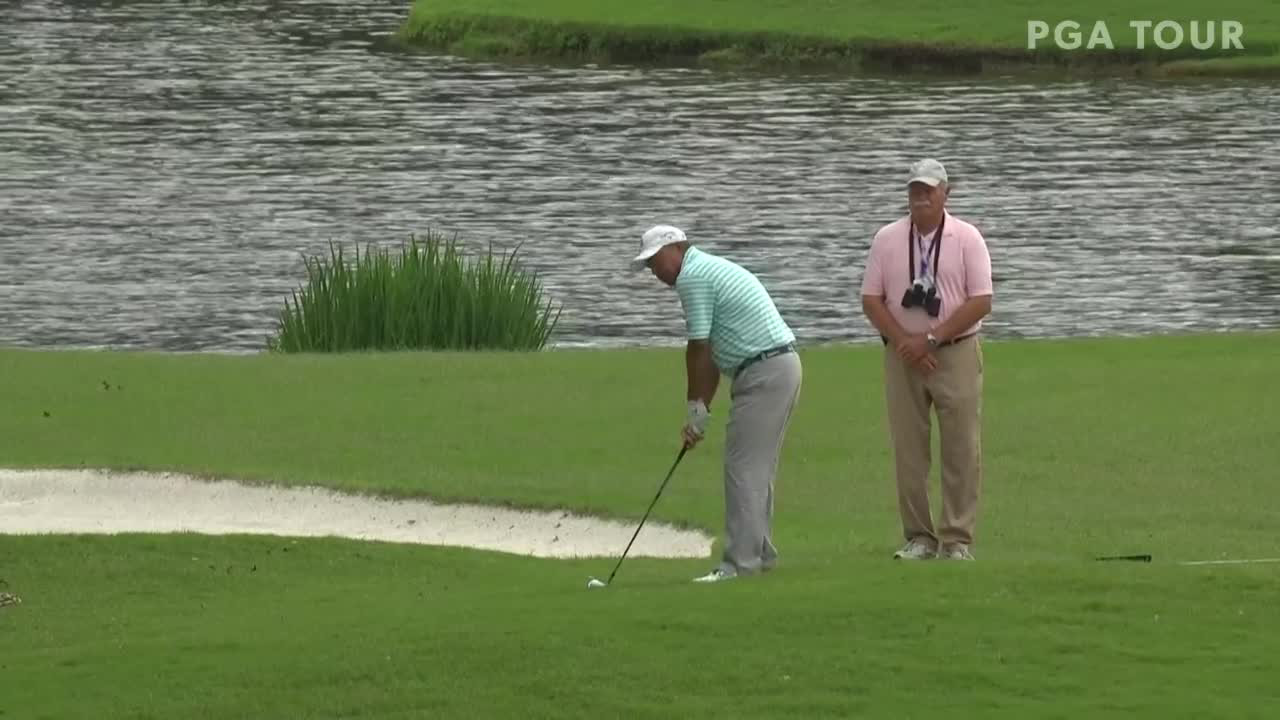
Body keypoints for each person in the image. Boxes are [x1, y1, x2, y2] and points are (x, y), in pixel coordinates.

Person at [631, 224, 803, 583]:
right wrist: (700, 413)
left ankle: (739, 565)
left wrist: (696, 411)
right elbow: (707, 356)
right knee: (757, 469)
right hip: (776, 367)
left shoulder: (693, 276)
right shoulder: (705, 269)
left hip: (765, 371)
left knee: (743, 468)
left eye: (656, 261)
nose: (655, 271)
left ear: (677, 248)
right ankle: (759, 555)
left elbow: (699, 349)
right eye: (648, 265)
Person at [859, 159, 993, 561]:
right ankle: (919, 537)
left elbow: (981, 300)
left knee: (961, 448)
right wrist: (906, 342)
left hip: (955, 353)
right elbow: (871, 299)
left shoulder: (967, 238)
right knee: (909, 450)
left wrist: (931, 340)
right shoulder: (887, 239)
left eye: (928, 190)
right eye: (914, 190)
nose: (920, 197)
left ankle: (957, 540)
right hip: (902, 358)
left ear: (945, 193)